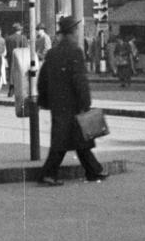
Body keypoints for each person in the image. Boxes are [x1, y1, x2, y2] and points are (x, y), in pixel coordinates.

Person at [36, 15, 106, 185]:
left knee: (78, 138)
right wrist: (85, 102)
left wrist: (44, 101)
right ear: (73, 31)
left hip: (57, 104)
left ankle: (93, 171)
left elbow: (42, 79)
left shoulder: (52, 53)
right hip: (73, 103)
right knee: (67, 140)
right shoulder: (75, 51)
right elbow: (79, 80)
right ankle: (49, 174)